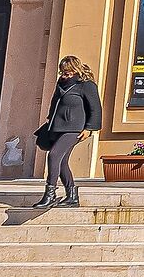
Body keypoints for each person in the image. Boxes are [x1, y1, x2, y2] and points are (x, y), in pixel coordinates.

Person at [35, 57, 103, 208]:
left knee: (53, 155)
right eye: (63, 71)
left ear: (75, 69)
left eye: (68, 71)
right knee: (62, 161)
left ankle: (50, 194)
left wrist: (90, 128)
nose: (65, 74)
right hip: (57, 126)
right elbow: (55, 103)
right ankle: (72, 196)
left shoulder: (86, 85)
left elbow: (95, 108)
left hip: (74, 128)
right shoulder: (61, 83)